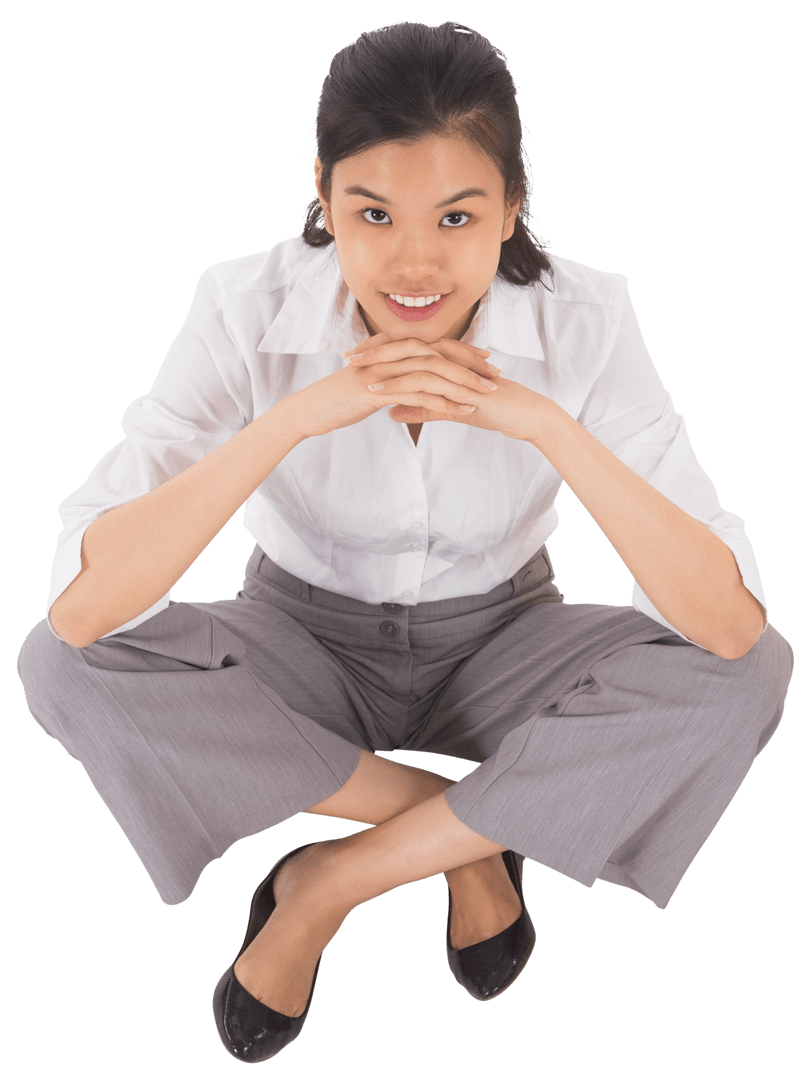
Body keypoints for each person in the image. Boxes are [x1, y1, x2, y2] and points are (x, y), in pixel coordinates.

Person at [16, 18, 793, 1065]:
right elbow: (84, 607)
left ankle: (330, 880)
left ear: (511, 208)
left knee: (751, 674)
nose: (414, 262)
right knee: (61, 665)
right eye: (372, 213)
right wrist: (295, 417)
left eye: (458, 215)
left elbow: (727, 625)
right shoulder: (240, 303)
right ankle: (466, 841)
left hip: (506, 633)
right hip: (300, 632)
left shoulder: (588, 317)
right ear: (327, 203)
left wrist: (545, 426)